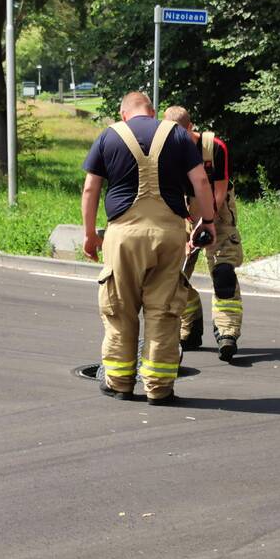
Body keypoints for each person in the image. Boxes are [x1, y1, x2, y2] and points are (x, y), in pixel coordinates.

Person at [81, 92, 216, 405]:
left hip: (122, 237)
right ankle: (159, 388)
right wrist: (206, 222)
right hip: (169, 235)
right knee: (164, 311)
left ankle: (119, 383)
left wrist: (90, 234)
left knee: (119, 310)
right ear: (152, 112)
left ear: (123, 113)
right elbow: (200, 183)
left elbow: (91, 188)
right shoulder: (179, 136)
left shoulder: (109, 136)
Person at [163, 106, 245, 362]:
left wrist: (205, 223)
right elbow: (172, 194)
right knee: (171, 275)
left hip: (217, 215)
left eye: (181, 135)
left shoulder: (215, 148)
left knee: (223, 273)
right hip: (185, 214)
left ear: (191, 128)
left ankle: (227, 333)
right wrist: (189, 229)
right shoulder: (166, 151)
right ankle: (191, 324)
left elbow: (219, 192)